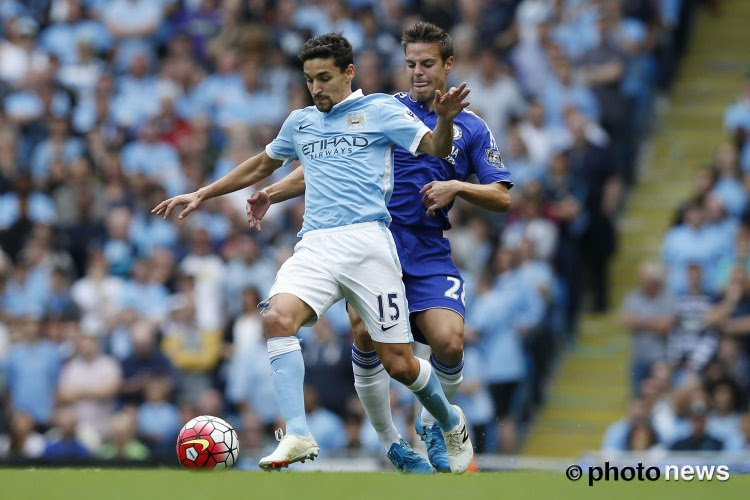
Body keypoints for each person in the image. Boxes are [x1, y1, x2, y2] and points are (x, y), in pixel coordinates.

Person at [153, 33, 474, 474]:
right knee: (276, 318)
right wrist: (203, 193)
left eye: (325, 78)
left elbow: (436, 149)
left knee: (399, 364)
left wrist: (445, 120)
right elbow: (262, 164)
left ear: (348, 73)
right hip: (316, 244)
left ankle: (449, 419)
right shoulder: (300, 122)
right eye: (309, 80)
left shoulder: (379, 111)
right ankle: (299, 433)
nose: (317, 88)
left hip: (369, 245)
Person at [247, 22, 512, 472]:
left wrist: (456, 187)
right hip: (375, 240)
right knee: (367, 338)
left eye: (427, 64)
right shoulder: (380, 109)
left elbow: (503, 195)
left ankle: (434, 423)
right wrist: (273, 193)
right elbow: (324, 164)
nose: (417, 73)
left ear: (448, 65)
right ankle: (392, 441)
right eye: (410, 64)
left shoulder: (470, 126)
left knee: (448, 342)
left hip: (426, 248)